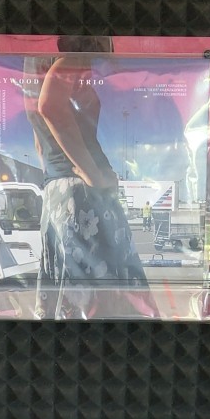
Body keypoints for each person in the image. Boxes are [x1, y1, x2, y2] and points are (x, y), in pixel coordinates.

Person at [26, 43, 149, 318]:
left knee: (72, 300)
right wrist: (93, 175)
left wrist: (58, 181)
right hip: (84, 194)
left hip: (58, 191)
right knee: (106, 302)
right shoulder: (74, 55)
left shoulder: (33, 66)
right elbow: (51, 106)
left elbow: (39, 144)